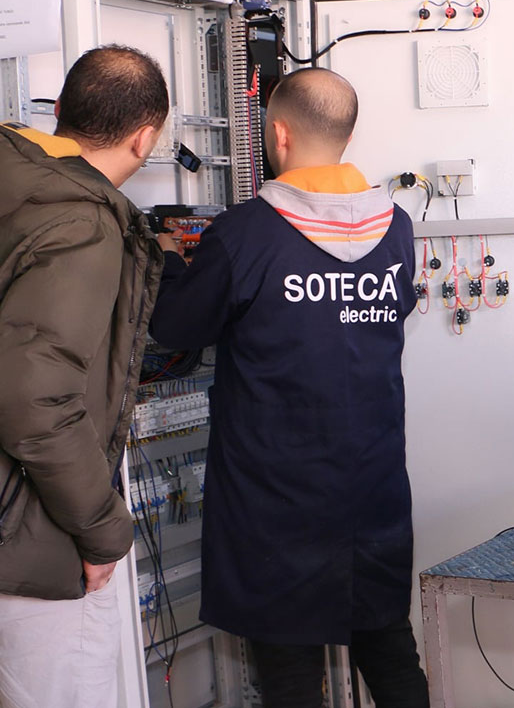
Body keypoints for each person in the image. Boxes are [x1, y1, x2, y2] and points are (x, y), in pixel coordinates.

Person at [150, 68, 427, 707]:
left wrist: (163, 259)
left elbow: (177, 326)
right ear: (347, 135)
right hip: (373, 487)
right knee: (390, 654)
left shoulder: (245, 233)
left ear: (277, 134)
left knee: (291, 676)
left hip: (277, 500)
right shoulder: (396, 228)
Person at [0, 45, 169, 706]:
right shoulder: (84, 222)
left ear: (61, 113)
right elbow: (33, 397)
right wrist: (102, 529)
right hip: (32, 543)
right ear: (144, 138)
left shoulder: (18, 186)